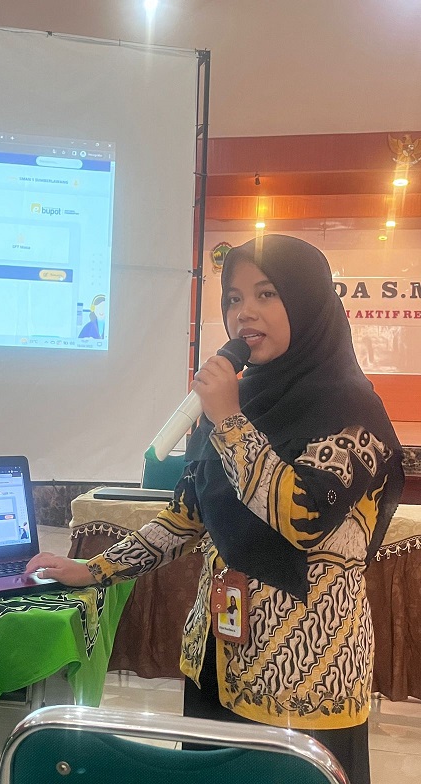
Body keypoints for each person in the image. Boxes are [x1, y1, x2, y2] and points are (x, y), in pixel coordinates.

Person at [27, 235, 404, 784]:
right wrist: (93, 569)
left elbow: (302, 515)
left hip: (303, 678)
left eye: (266, 293)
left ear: (308, 302)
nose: (244, 312)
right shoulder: (235, 402)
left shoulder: (352, 408)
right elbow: (184, 517)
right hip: (216, 657)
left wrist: (228, 420)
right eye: (233, 298)